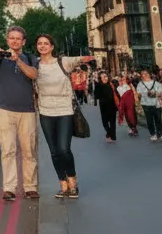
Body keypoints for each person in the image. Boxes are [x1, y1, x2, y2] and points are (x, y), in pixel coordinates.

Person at [0, 26, 40, 201]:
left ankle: (30, 186)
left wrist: (18, 61)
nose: (14, 41)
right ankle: (9, 188)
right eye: (11, 38)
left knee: (29, 150)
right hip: (4, 109)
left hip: (27, 110)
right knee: (8, 150)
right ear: (7, 40)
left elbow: (34, 74)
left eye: (18, 39)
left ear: (23, 42)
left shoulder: (30, 58)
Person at [33, 33, 94, 199]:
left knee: (63, 149)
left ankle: (73, 180)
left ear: (52, 46)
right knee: (54, 151)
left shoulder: (62, 62)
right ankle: (63, 184)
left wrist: (87, 57)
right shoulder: (35, 65)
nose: (43, 46)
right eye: (40, 43)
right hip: (45, 112)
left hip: (65, 110)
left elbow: (76, 60)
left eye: (46, 43)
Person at [136, 69, 162, 142]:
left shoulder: (156, 83)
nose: (145, 75)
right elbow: (138, 94)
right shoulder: (140, 84)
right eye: (143, 74)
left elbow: (161, 93)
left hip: (156, 104)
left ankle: (160, 134)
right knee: (149, 120)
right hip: (146, 104)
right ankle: (153, 134)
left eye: (146, 73)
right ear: (141, 76)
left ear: (149, 74)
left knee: (158, 120)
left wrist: (155, 93)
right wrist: (140, 99)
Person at [93, 71, 118, 143]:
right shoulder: (99, 85)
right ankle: (109, 133)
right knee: (105, 123)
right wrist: (98, 86)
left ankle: (113, 137)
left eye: (106, 76)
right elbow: (96, 96)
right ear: (100, 78)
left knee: (112, 122)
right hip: (103, 107)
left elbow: (116, 94)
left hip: (112, 106)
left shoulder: (111, 84)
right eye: (102, 77)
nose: (105, 78)